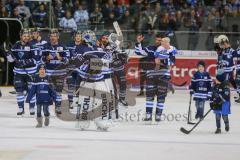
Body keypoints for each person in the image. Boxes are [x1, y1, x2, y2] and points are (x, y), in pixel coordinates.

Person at [144, 37, 177, 122]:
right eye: (160, 41)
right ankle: (148, 115)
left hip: (163, 76)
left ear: (168, 43)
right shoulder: (152, 49)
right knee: (149, 96)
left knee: (161, 97)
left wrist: (163, 60)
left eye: (163, 41)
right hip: (151, 75)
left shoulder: (172, 50)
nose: (161, 42)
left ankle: (158, 116)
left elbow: (172, 62)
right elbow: (153, 58)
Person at [5, 28, 36, 115]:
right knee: (19, 90)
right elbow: (11, 60)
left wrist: (25, 62)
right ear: (21, 36)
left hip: (30, 72)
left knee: (31, 90)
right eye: (24, 36)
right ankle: (21, 108)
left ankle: (32, 107)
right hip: (18, 72)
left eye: (27, 36)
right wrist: (8, 55)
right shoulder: (16, 45)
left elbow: (36, 59)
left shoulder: (32, 45)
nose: (26, 37)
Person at [41, 29, 69, 114]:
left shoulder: (63, 46)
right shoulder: (45, 46)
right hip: (49, 72)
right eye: (51, 36)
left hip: (60, 72)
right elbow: (40, 60)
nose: (53, 38)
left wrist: (61, 58)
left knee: (59, 91)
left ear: (58, 37)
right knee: (48, 90)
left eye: (55, 36)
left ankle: (58, 107)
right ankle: (49, 103)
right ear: (49, 37)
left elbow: (68, 60)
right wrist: (46, 58)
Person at [66, 30, 84, 109]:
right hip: (71, 69)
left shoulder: (84, 46)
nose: (78, 37)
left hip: (81, 70)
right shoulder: (69, 45)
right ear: (74, 37)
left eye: (79, 36)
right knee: (71, 85)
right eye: (77, 36)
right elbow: (66, 57)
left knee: (79, 85)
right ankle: (70, 101)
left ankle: (78, 100)